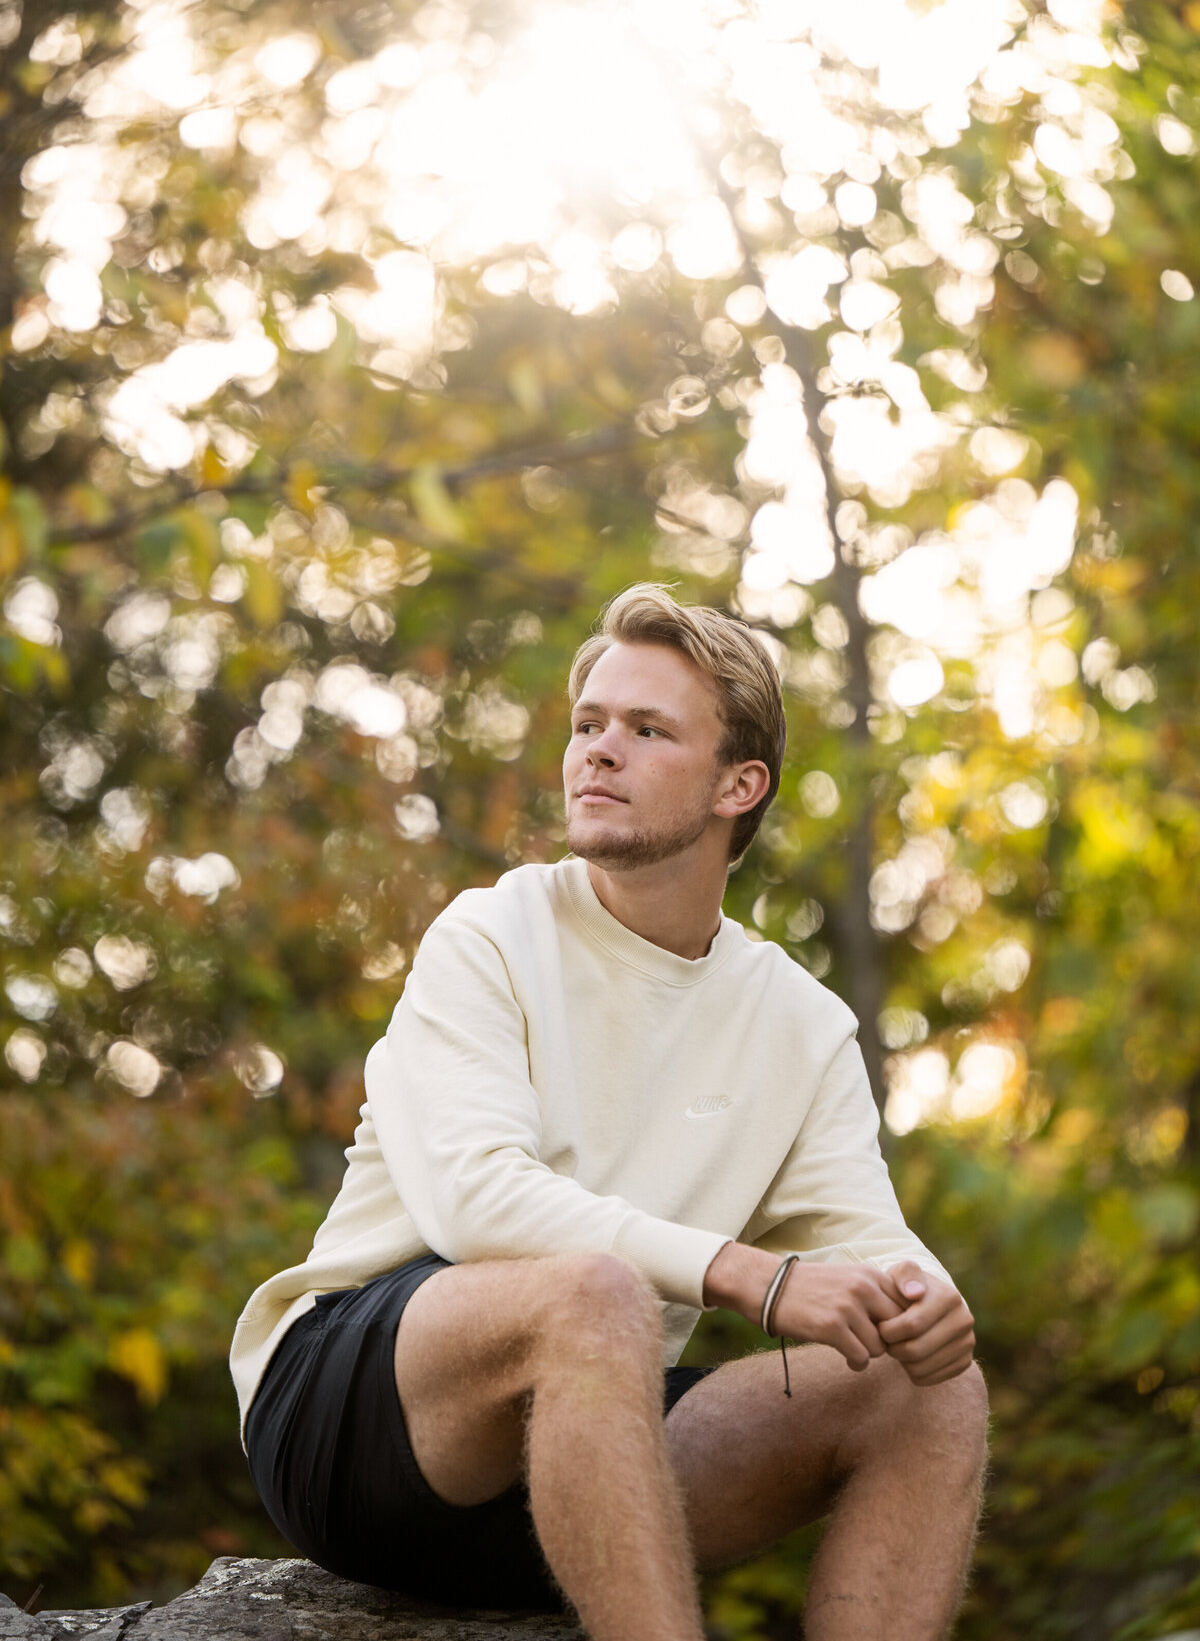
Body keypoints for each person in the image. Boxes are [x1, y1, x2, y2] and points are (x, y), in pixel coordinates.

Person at [231, 583, 987, 1641]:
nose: (598, 750)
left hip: (590, 1452)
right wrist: (746, 1276)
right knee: (592, 1296)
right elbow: (474, 1205)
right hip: (359, 1421)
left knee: (927, 1391)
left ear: (740, 784)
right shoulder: (489, 934)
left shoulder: (799, 1026)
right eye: (588, 725)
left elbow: (868, 1250)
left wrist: (928, 1305)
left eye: (645, 729)